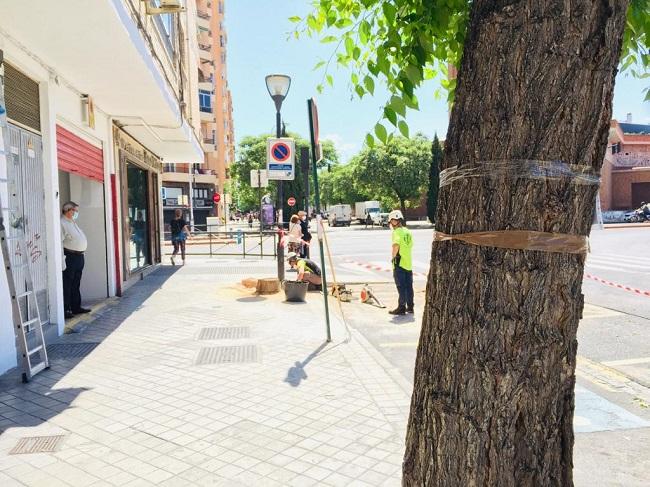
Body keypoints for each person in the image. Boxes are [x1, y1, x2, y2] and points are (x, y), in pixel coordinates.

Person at [60, 201, 90, 319]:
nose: (77, 213)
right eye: (75, 210)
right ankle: (66, 309)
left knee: (76, 283)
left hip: (79, 257)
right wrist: (62, 259)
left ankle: (76, 307)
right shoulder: (62, 223)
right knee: (68, 284)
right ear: (68, 210)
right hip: (70, 257)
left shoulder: (72, 222)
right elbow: (60, 242)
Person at [388, 209, 414, 315]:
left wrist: (393, 257)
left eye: (391, 221)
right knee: (409, 286)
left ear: (395, 221)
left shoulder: (396, 232)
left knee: (401, 286)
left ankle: (401, 307)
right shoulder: (408, 231)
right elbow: (411, 244)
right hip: (408, 262)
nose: (390, 223)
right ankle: (410, 306)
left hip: (399, 262)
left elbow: (396, 245)